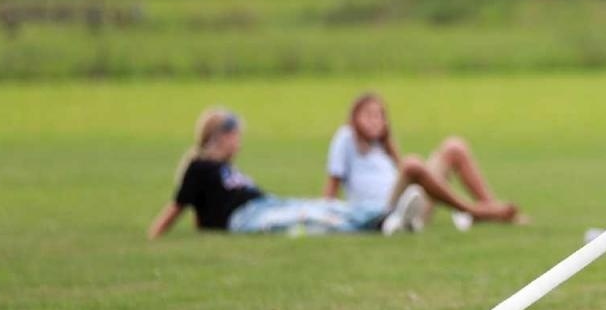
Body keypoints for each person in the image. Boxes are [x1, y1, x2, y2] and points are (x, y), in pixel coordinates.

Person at [147, 107, 428, 239]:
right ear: (220, 135)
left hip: (265, 204)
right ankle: (383, 225)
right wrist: (155, 235)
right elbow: (179, 206)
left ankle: (388, 215)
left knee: (325, 206)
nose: (239, 142)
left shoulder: (225, 169)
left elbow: (202, 215)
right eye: (236, 135)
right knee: (312, 220)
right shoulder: (199, 167)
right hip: (246, 218)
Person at [322, 92, 521, 228]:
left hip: (411, 206)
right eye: (368, 115)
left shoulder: (383, 147)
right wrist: (325, 215)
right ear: (354, 117)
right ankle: (475, 212)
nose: (374, 121)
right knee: (412, 164)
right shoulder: (346, 137)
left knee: (454, 147)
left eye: (379, 116)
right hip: (383, 213)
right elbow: (332, 183)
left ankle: (492, 209)